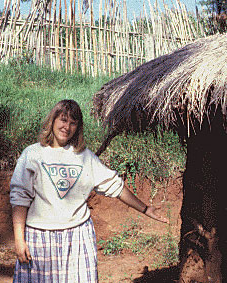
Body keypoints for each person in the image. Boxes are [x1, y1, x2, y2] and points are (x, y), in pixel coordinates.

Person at [10, 99, 168, 282]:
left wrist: (146, 209)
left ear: (78, 127)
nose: (66, 127)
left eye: (73, 122)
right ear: (52, 121)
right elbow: (20, 199)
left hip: (77, 236)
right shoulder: (32, 154)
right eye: (63, 120)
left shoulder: (85, 157)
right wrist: (19, 240)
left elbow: (115, 186)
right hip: (40, 236)